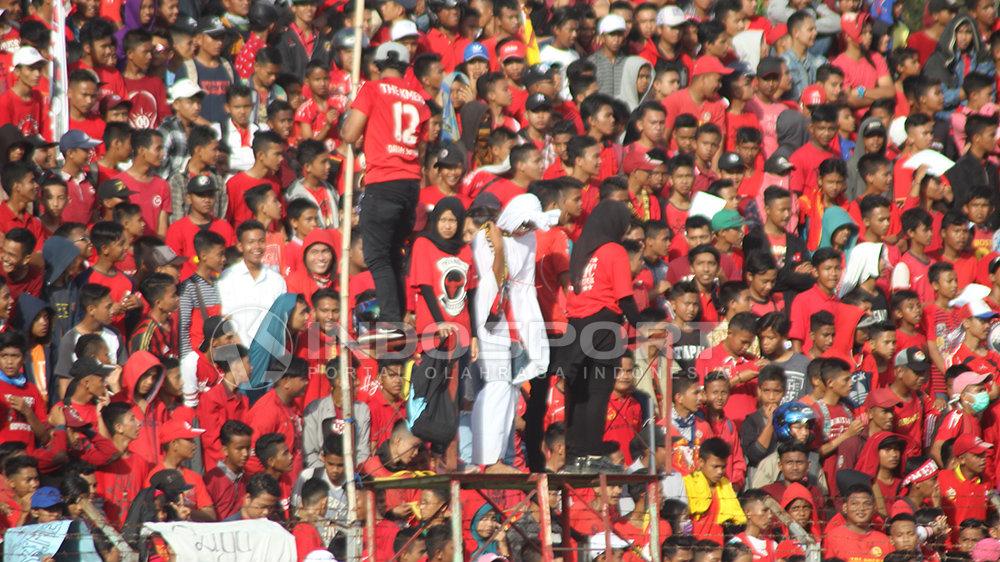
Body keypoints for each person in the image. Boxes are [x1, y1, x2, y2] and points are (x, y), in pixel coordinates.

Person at [341, 42, 430, 338]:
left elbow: (350, 133)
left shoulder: (372, 89)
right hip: (410, 183)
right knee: (393, 254)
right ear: (407, 68)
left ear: (377, 65)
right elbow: (423, 145)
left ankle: (391, 321)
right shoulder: (419, 98)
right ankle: (400, 316)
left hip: (383, 180)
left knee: (377, 255)